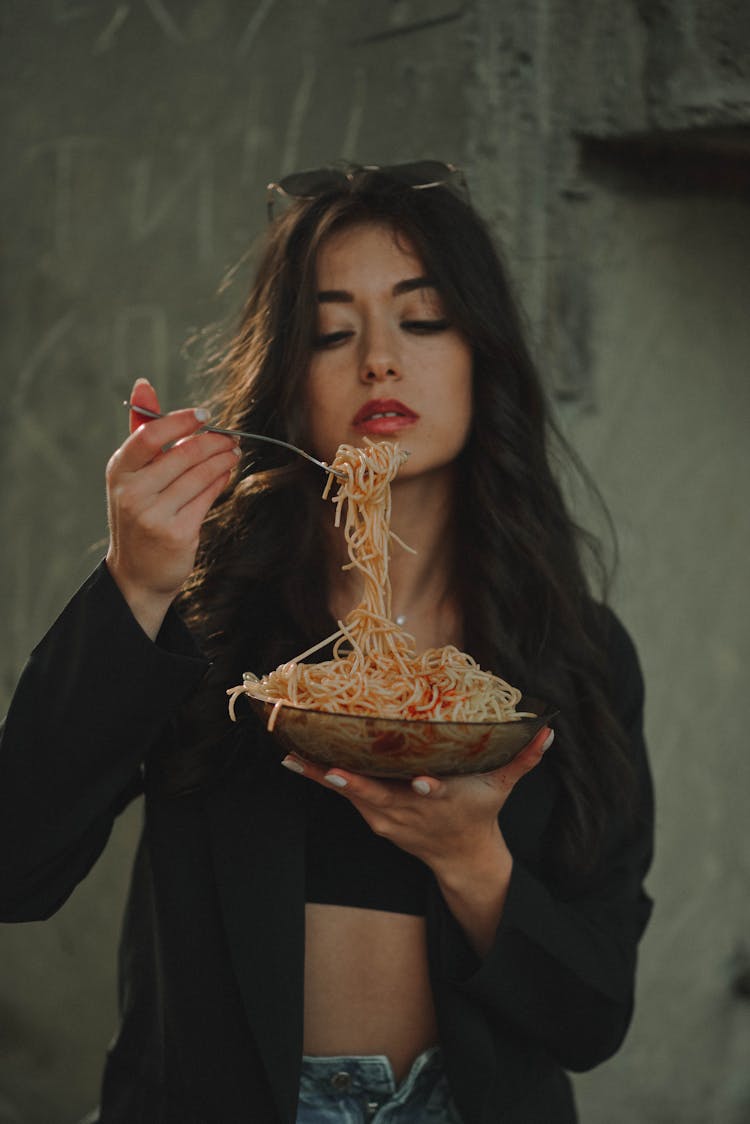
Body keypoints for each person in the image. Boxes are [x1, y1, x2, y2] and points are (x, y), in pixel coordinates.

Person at [0, 162, 654, 1124]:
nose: (378, 361)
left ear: (484, 358)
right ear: (287, 380)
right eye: (331, 331)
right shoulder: (214, 619)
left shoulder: (577, 653)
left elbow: (593, 1017)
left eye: (422, 320)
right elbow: (17, 866)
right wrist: (135, 583)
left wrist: (473, 860)